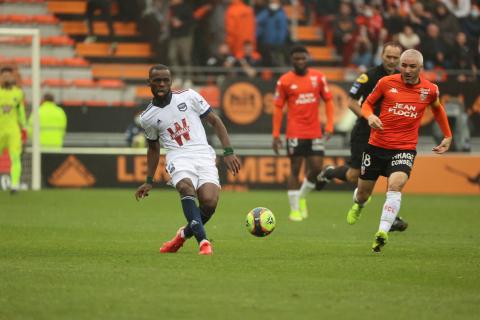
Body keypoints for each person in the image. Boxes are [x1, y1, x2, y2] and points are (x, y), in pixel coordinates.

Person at [351, 49, 452, 252]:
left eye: (412, 66)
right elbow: (367, 104)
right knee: (363, 194)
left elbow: (438, 109)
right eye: (404, 65)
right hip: (376, 146)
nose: (406, 69)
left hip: (404, 149)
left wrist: (448, 135)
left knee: (395, 185)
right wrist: (370, 117)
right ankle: (359, 205)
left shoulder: (430, 90)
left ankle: (382, 232)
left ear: (420, 68)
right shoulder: (386, 83)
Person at [134, 64, 241, 255]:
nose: (161, 84)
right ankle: (204, 242)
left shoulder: (189, 96)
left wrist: (228, 151)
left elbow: (215, 121)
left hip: (203, 154)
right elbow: (153, 147)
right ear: (148, 82)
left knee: (209, 203)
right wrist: (149, 180)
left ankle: (181, 236)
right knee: (186, 187)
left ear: (171, 81)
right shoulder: (147, 117)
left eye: (165, 80)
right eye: (157, 80)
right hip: (178, 157)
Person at [317, 42, 408, 232]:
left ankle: (392, 217)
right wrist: (369, 117)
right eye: (388, 56)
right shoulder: (369, 76)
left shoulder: (404, 79)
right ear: (381, 55)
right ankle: (329, 172)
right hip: (365, 132)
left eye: (395, 58)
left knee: (395, 175)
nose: (391, 61)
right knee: (354, 175)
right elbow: (351, 102)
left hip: (390, 134)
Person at [272, 45, 335, 222]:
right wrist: (276, 135)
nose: (300, 61)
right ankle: (294, 210)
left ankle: (301, 197)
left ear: (307, 58)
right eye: (296, 59)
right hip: (295, 132)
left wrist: (329, 125)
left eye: (302, 58)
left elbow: (329, 101)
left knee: (315, 168)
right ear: (292, 61)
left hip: (314, 131)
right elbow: (277, 108)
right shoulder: (284, 81)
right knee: (295, 169)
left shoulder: (318, 77)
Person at [0, 67, 26, 194]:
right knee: (15, 159)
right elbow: (21, 113)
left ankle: (14, 185)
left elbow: (21, 113)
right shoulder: (18, 93)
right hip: (7, 130)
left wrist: (24, 127)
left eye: (7, 75)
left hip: (11, 131)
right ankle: (14, 184)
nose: (6, 77)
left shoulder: (19, 93)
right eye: (4, 75)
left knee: (15, 158)